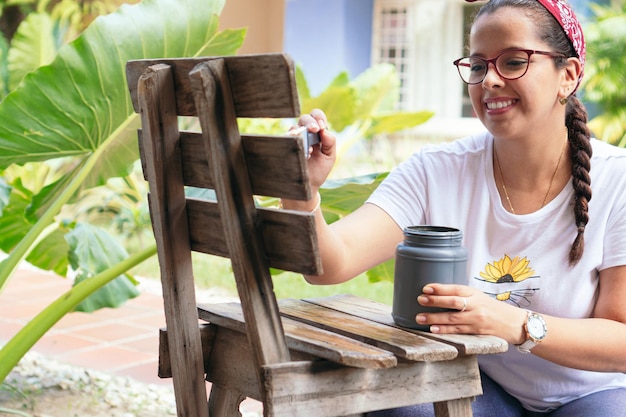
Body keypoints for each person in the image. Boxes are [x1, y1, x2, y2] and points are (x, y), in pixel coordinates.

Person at [282, 0, 626, 415]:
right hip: (484, 388)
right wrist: (302, 187)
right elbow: (328, 265)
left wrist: (514, 325)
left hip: (592, 395)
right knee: (399, 403)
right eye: (478, 67)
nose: (490, 82)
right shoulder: (436, 170)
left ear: (568, 75)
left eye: (514, 62)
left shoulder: (617, 180)